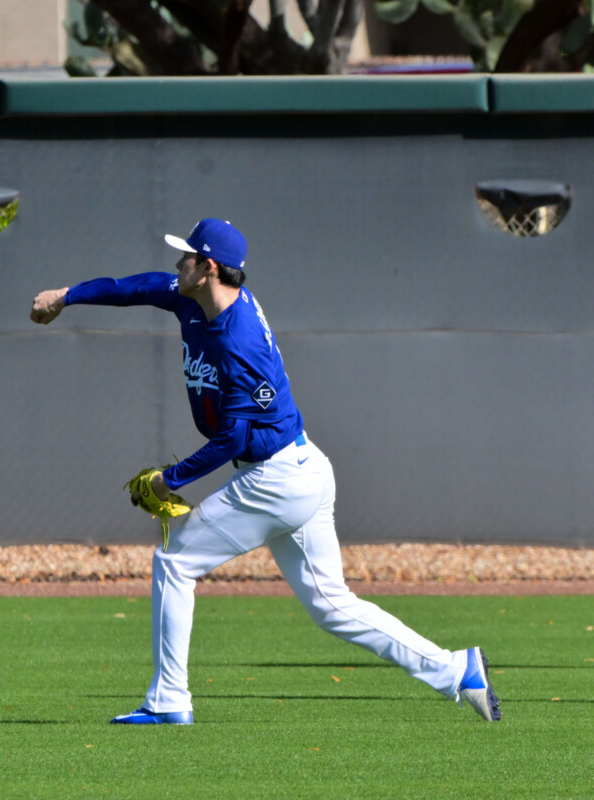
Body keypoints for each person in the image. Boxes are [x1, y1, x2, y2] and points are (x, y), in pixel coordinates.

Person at [29, 218, 500, 725]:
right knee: (332, 607)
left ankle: (169, 700)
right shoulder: (196, 296)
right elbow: (137, 286)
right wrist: (66, 295)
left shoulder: (241, 339)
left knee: (174, 561)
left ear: (208, 268)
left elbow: (231, 437)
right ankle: (457, 671)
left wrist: (172, 479)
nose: (177, 262)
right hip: (299, 466)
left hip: (277, 480)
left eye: (186, 256)